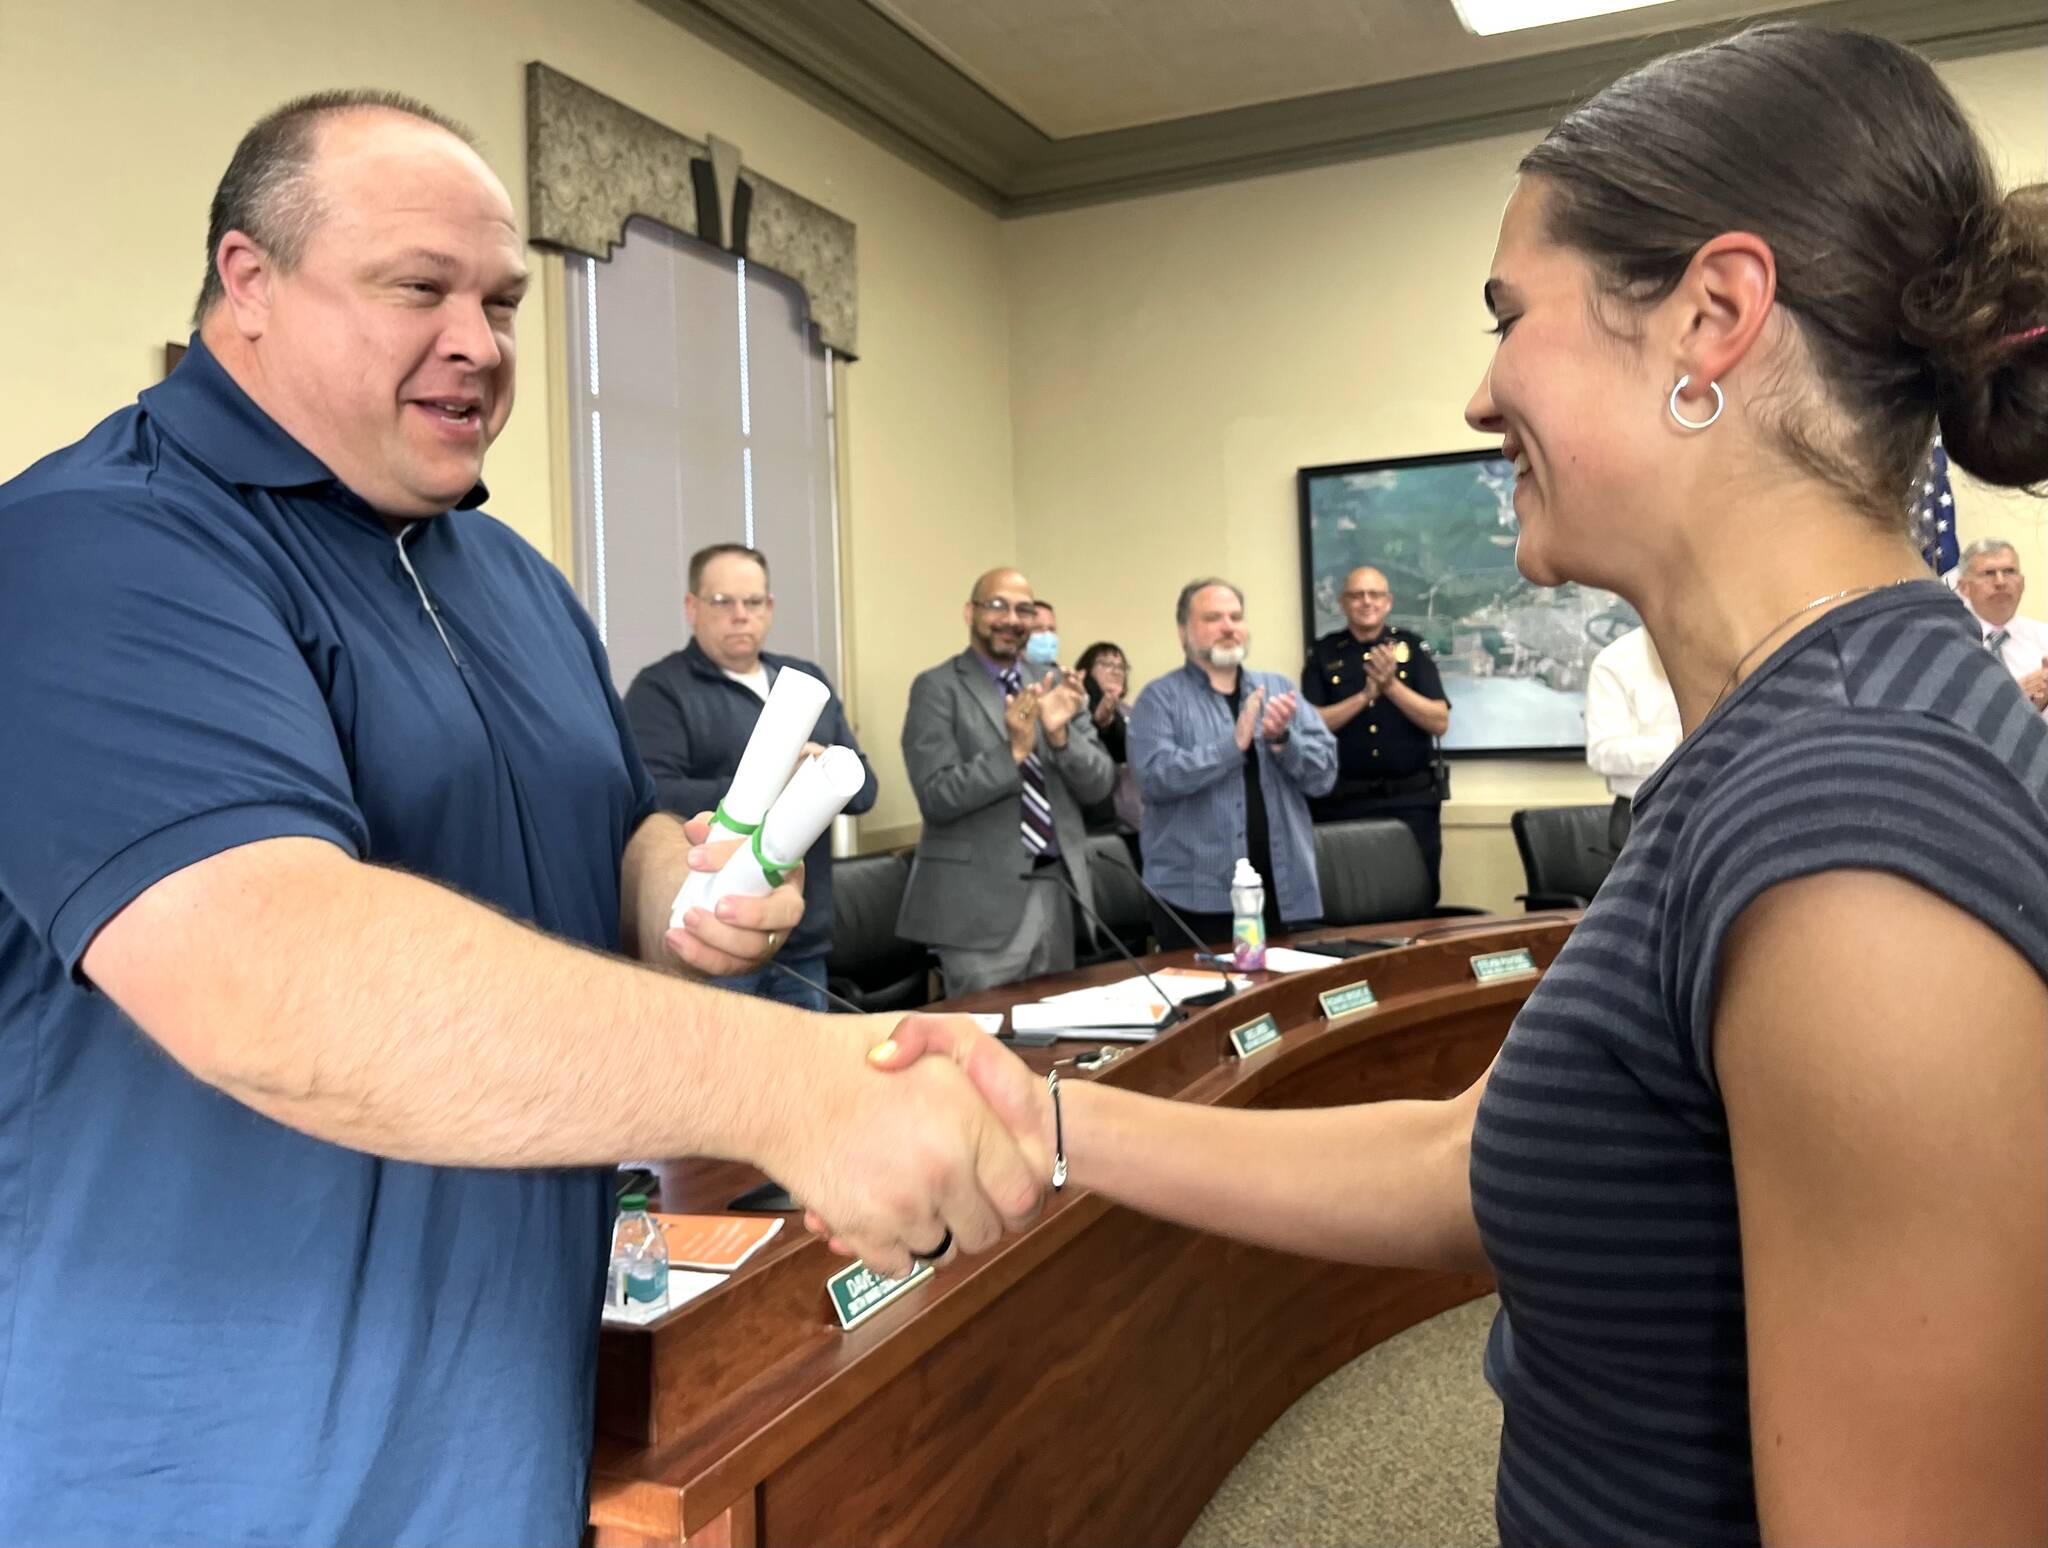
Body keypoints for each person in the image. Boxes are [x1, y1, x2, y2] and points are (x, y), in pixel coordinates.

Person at [861, 23, 2048, 1546]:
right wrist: (1046, 1117)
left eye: (1510, 316)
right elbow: (1464, 1157)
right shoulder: (1776, 748)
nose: (1483, 395)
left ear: (1715, 315)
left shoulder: (1857, 841)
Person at [0, 94, 1041, 1547]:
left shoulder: (506, 572)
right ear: (248, 281)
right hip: (214, 1468)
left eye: (500, 298)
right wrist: (795, 1086)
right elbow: (271, 977)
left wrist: (694, 896)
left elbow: (610, 847)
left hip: (506, 1420)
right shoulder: (94, 548)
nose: (481, 342)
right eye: (418, 289)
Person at [624, 543, 879, 1010]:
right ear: (692, 607)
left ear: (770, 608)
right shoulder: (660, 689)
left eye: (754, 602)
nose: (741, 615)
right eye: (723, 602)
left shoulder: (805, 682)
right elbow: (654, 793)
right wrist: (779, 787)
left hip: (804, 938)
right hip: (711, 933)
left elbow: (865, 791)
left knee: (809, 1078)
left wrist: (820, 780)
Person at [898, 568, 1115, 994]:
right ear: (970, 612)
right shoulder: (938, 687)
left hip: (1057, 891)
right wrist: (1013, 752)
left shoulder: (1052, 680)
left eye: (1024, 610)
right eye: (997, 605)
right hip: (976, 908)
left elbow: (1100, 784)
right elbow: (936, 796)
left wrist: (1060, 736)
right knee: (984, 1045)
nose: (1011, 619)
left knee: (1056, 1044)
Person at [1128, 579, 1338, 945]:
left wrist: (1283, 741)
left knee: (1281, 999)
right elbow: (1153, 777)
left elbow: (1324, 776)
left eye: (1236, 617)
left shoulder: (1279, 689)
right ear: (1183, 632)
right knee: (1208, 1001)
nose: (1228, 627)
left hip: (1280, 889)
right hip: (1194, 898)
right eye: (1213, 618)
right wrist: (1232, 746)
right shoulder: (1159, 699)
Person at [1303, 565, 1453, 898]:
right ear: (1343, 602)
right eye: (1357, 595)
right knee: (1348, 899)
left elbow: (1439, 721)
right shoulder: (1324, 653)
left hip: (1410, 801)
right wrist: (1364, 696)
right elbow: (1312, 725)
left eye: (1375, 595)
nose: (1366, 602)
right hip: (1343, 803)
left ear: (1388, 602)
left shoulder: (1412, 649)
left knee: (1417, 896)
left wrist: (1390, 686)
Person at [1583, 622, 1681, 851]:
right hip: (1644, 815)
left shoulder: (1733, 650)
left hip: (1720, 810)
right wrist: (1681, 746)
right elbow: (1602, 753)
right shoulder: (1616, 661)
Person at [1955, 536, 2048, 715]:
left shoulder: (2044, 638)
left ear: (2022, 583)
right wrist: (2010, 699)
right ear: (1964, 587)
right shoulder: (1950, 643)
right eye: (1989, 573)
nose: (2000, 582)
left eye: (2009, 571)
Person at [1074, 640, 1143, 836]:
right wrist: (1103, 724)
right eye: (1106, 664)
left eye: (1121, 666)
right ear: (1087, 670)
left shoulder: (1132, 711)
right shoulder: (1078, 706)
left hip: (1139, 819)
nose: (1116, 671)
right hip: (1102, 821)